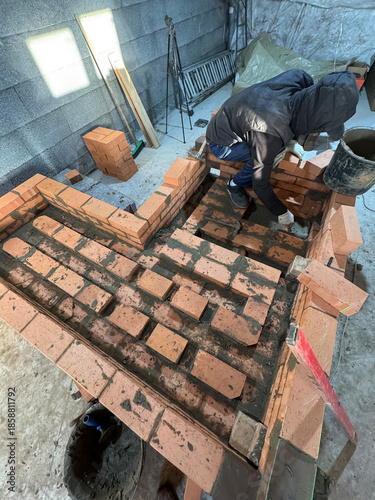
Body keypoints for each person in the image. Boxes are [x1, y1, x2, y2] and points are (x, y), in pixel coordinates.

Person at [206, 69, 359, 226]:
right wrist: (281, 212)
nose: (317, 133)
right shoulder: (269, 134)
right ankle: (234, 185)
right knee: (271, 152)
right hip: (222, 142)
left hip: (240, 118)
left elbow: (302, 112)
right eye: (320, 128)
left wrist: (291, 140)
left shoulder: (299, 77)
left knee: (276, 147)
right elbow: (260, 184)